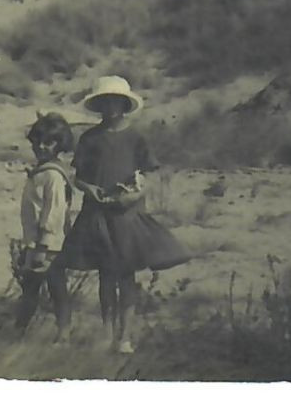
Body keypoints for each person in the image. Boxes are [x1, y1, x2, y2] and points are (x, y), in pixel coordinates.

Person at [57, 75, 191, 354]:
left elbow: (148, 175)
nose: (111, 107)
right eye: (105, 102)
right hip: (98, 214)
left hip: (127, 215)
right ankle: (107, 334)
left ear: (124, 104)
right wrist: (90, 190)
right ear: (99, 105)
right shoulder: (90, 138)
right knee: (106, 275)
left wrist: (136, 194)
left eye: (116, 101)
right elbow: (78, 178)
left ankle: (126, 337)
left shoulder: (136, 138)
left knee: (127, 275)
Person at [13, 112, 75, 341]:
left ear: (60, 145)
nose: (41, 146)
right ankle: (19, 330)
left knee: (56, 288)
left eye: (48, 142)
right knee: (30, 288)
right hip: (35, 242)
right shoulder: (40, 172)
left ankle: (63, 333)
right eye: (37, 141)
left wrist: (42, 246)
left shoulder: (53, 176)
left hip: (49, 244)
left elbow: (54, 212)